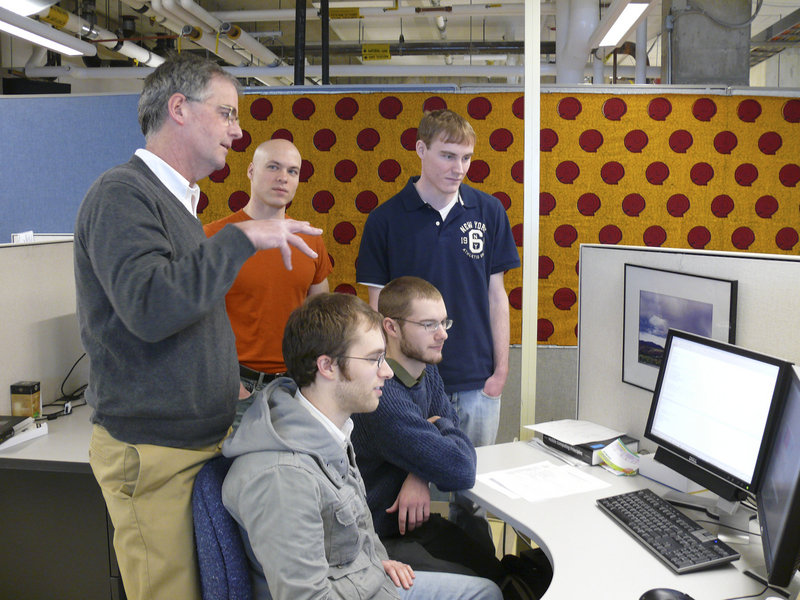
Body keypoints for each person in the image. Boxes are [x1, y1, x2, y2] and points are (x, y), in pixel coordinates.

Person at [73, 53, 322, 600]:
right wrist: (243, 238)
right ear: (179, 108)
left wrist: (219, 378)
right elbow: (150, 307)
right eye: (228, 113)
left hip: (195, 443)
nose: (238, 131)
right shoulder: (123, 195)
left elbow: (189, 312)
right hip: (154, 451)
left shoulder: (178, 205)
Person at [221, 293, 502, 600]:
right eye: (373, 359)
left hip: (367, 580)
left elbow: (356, 531)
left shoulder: (332, 431)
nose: (387, 372)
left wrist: (376, 562)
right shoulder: (282, 476)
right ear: (327, 366)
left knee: (487, 590)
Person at [356, 108, 520, 450]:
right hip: (409, 382)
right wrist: (384, 374)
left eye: (466, 158)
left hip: (478, 382)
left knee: (473, 493)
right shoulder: (384, 220)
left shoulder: (489, 212)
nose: (458, 168)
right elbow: (377, 310)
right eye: (447, 156)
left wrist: (500, 372)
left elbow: (496, 297)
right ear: (420, 150)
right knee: (410, 493)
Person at [351, 276, 507, 584]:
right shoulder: (383, 397)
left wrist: (419, 471)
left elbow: (455, 438)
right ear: (391, 327)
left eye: (444, 322)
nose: (443, 335)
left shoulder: (426, 369)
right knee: (486, 588)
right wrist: (434, 436)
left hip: (410, 526)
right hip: (379, 541)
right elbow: (460, 468)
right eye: (428, 325)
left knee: (495, 568)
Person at [204, 139, 332, 416]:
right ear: (251, 171)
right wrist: (231, 382)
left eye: (292, 171)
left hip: (295, 387)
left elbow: (321, 321)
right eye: (273, 167)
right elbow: (194, 322)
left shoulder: (310, 241)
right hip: (232, 386)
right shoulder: (214, 237)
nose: (282, 178)